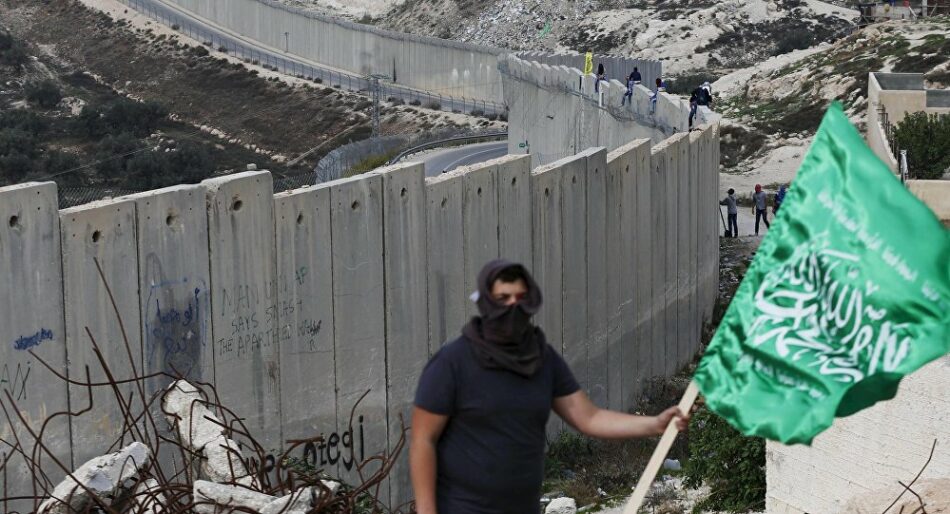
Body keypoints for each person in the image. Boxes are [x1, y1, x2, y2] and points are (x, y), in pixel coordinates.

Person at [410, 260, 690, 514]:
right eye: (502, 299)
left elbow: (589, 417)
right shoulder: (452, 363)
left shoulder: (541, 359)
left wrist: (655, 424)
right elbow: (423, 440)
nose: (513, 307)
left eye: (521, 298)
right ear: (485, 303)